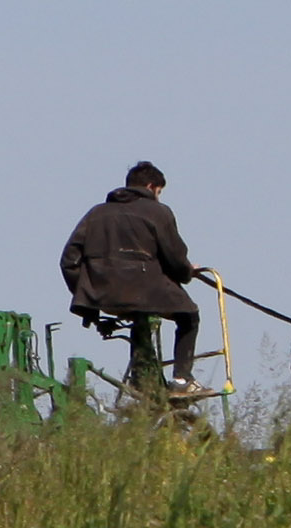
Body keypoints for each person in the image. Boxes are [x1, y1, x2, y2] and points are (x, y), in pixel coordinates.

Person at [60, 162, 211, 398]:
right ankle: (182, 380)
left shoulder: (96, 213)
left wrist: (85, 295)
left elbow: (68, 260)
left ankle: (141, 379)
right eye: (159, 192)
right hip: (144, 289)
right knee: (189, 315)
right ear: (151, 187)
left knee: (140, 318)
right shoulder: (158, 212)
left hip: (100, 294)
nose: (158, 198)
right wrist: (187, 273)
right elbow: (175, 257)